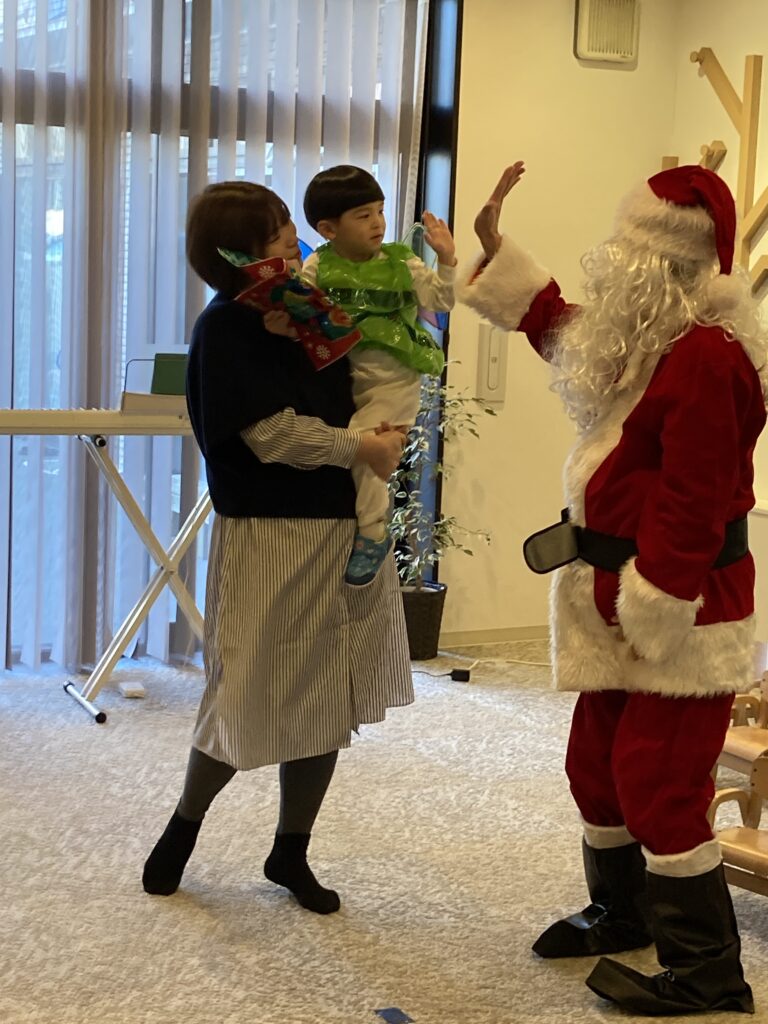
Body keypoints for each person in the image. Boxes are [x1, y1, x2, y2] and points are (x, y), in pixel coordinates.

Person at [458, 161, 767, 1015]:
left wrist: (655, 603)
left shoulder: (708, 356)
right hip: (610, 595)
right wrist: (495, 251)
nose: (613, 264)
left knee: (660, 784)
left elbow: (696, 499)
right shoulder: (648, 331)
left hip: (679, 607)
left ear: (667, 262)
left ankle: (708, 972)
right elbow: (566, 328)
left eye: (631, 250)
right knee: (595, 768)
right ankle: (622, 913)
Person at [142, 180, 414, 915]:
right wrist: (359, 446)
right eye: (274, 231)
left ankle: (290, 850)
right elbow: (268, 435)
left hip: (337, 524)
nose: (292, 238)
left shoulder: (304, 311)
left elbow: (360, 385)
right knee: (244, 688)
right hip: (268, 531)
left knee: (326, 695)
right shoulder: (226, 326)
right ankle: (183, 826)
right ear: (235, 252)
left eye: (288, 224)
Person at [301, 165, 457, 585]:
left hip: (394, 378)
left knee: (365, 448)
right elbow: (301, 311)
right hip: (344, 377)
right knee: (354, 447)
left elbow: (441, 300)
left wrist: (446, 259)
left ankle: (373, 532)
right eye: (364, 215)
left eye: (380, 211)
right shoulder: (317, 265)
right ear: (328, 229)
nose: (378, 223)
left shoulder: (401, 261)